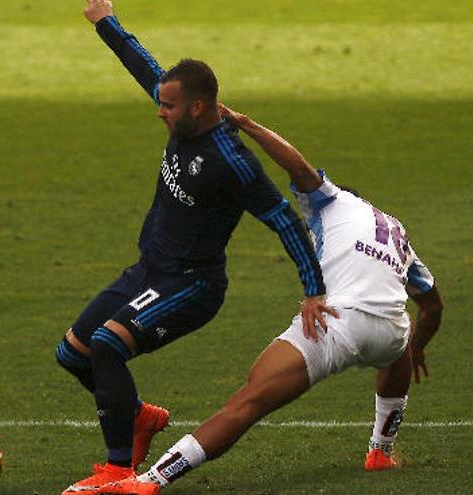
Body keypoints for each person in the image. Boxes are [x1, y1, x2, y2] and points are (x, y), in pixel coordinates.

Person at [57, 2, 336, 493]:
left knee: (106, 347)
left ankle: (119, 471)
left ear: (198, 107)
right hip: (148, 270)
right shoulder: (180, 117)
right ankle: (139, 418)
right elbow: (141, 61)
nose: (159, 111)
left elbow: (285, 221)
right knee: (73, 353)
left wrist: (313, 290)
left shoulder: (232, 162)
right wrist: (105, 20)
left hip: (192, 284)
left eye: (167, 105)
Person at [96, 106, 445, 494]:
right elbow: (432, 305)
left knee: (248, 401)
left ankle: (148, 481)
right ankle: (380, 451)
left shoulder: (333, 202)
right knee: (399, 342)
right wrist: (417, 347)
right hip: (390, 331)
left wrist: (247, 126)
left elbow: (299, 169)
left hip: (336, 323)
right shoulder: (396, 232)